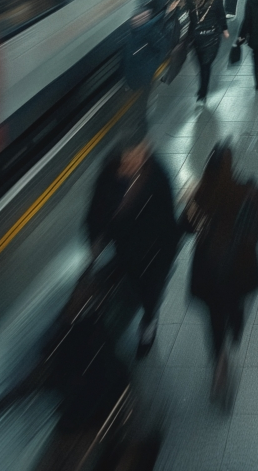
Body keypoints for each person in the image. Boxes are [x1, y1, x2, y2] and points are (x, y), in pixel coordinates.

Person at [181, 144, 258, 395]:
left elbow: (185, 227)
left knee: (214, 317)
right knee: (236, 298)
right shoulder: (246, 190)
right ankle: (237, 320)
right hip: (239, 266)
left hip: (208, 270)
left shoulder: (200, 194)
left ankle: (219, 361)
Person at [87, 127, 180, 354]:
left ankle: (148, 323)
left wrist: (166, 253)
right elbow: (96, 210)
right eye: (127, 156)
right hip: (125, 249)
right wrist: (95, 239)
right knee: (129, 287)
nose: (132, 161)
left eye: (137, 155)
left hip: (155, 254)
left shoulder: (158, 177)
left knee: (151, 293)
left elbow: (168, 219)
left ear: (146, 150)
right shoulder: (109, 174)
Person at [123, 0, 170, 135]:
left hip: (144, 77)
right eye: (136, 17)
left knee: (141, 104)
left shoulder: (151, 32)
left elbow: (163, 48)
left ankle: (142, 128)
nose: (138, 19)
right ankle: (138, 124)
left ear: (147, 17)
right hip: (133, 77)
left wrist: (152, 66)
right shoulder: (132, 33)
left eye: (142, 17)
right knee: (136, 104)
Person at [190, 0, 228, 103]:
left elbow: (221, 16)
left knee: (206, 65)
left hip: (212, 38)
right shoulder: (194, 1)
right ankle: (202, 88)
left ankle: (203, 92)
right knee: (201, 66)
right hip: (198, 39)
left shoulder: (216, 0)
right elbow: (192, 21)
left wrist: (224, 29)